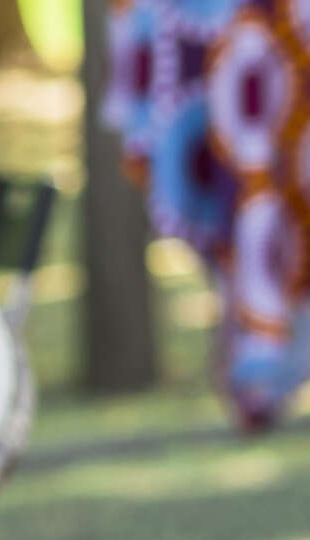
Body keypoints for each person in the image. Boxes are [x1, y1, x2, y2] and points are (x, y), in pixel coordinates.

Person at [105, 0, 310, 431]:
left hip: (274, 43)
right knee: (242, 196)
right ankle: (256, 356)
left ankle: (266, 356)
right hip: (211, 38)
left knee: (268, 188)